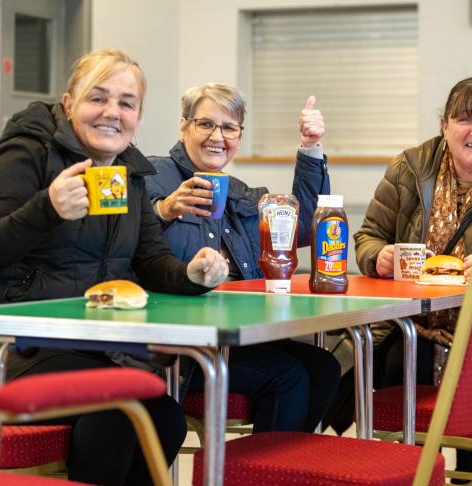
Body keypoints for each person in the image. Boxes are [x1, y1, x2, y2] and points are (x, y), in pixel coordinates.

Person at [0, 49, 228, 486]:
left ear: (139, 116)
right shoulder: (24, 153)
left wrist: (193, 274)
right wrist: (46, 208)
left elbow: (152, 262)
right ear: (70, 104)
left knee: (165, 416)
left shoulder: (129, 173)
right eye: (98, 98)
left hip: (73, 348)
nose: (112, 112)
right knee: (115, 408)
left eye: (126, 103)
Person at [337, 77, 472, 477]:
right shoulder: (409, 167)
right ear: (443, 125)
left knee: (426, 366)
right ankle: (405, 472)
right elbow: (367, 237)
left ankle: (453, 472)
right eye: (464, 119)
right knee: (380, 361)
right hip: (406, 324)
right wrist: (378, 256)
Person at [145, 83, 341, 433]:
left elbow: (305, 231)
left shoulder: (241, 194)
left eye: (229, 127)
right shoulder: (153, 177)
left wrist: (310, 149)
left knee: (324, 367)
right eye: (205, 124)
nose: (217, 136)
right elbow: (127, 232)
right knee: (289, 376)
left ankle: (287, 470)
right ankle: (261, 473)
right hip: (179, 349)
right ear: (184, 126)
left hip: (237, 337)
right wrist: (165, 210)